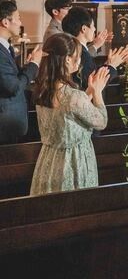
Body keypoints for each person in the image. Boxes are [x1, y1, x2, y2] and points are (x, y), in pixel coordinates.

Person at [30, 33, 110, 195]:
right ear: (67, 59)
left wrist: (89, 90)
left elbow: (71, 110)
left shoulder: (42, 91)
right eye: (77, 56)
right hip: (74, 162)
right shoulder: (73, 96)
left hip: (49, 161)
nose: (79, 60)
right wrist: (97, 92)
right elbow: (101, 121)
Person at [0, 0, 42, 144]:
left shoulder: (6, 47)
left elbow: (10, 77)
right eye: (18, 18)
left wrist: (27, 66)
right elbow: (14, 87)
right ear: (5, 22)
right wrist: (34, 65)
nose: (20, 23)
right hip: (5, 123)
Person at [62, 7, 128, 90]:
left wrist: (107, 64)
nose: (94, 29)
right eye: (93, 26)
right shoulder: (82, 53)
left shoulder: (73, 48)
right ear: (84, 29)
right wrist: (113, 65)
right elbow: (93, 85)